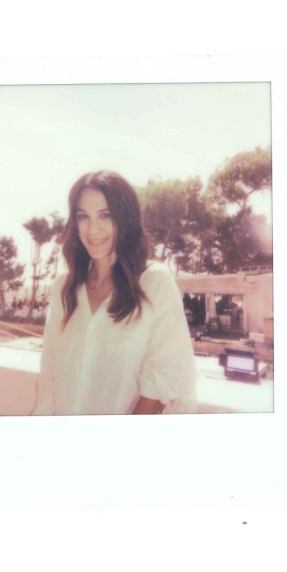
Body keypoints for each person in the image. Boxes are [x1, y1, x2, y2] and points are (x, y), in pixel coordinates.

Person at [32, 170, 197, 415]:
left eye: (105, 215)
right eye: (83, 216)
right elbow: (49, 374)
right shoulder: (63, 287)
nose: (92, 230)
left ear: (125, 219)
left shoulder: (154, 283)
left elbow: (165, 377)